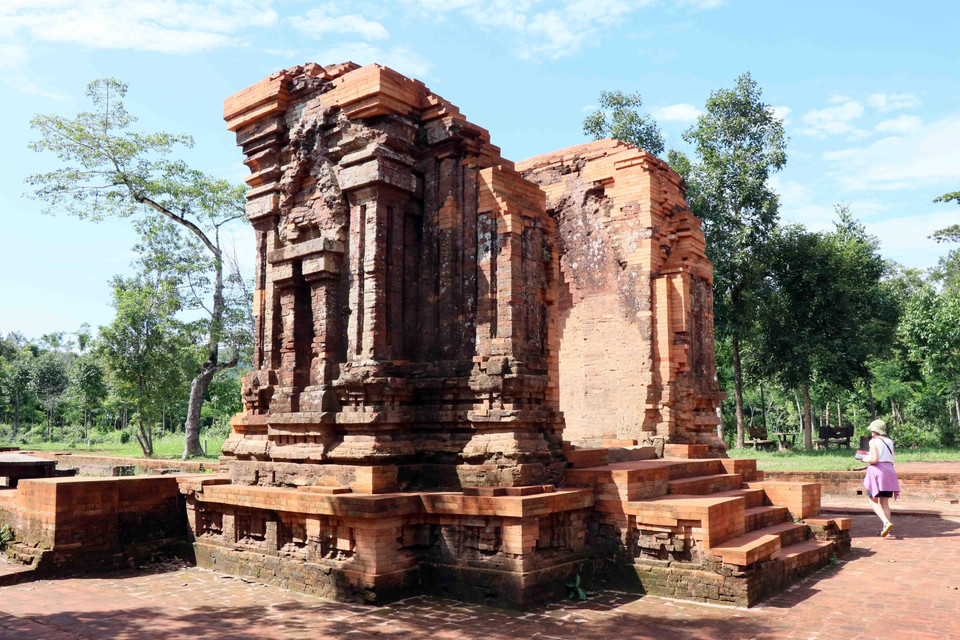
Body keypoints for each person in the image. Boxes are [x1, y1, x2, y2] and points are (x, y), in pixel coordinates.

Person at [860, 419, 900, 537]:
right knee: (885, 502)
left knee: (872, 500)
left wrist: (864, 459)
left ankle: (886, 522)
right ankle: (887, 531)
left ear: (874, 431)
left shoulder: (873, 441)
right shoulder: (890, 441)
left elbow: (875, 460)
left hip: (878, 472)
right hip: (890, 471)